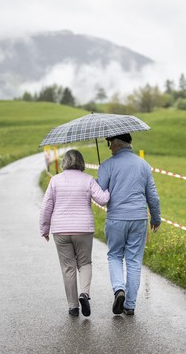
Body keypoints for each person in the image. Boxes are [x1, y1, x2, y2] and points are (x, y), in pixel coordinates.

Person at [39, 149, 110, 317]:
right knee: (84, 263)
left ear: (65, 162)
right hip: (83, 229)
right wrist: (106, 188)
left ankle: (73, 307)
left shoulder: (55, 180)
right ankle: (84, 294)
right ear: (81, 162)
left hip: (61, 230)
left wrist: (44, 228)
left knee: (68, 267)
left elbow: (46, 206)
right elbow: (103, 200)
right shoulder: (88, 180)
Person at [97, 133, 161, 316]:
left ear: (117, 144)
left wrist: (101, 176)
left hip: (116, 218)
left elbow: (99, 196)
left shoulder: (107, 165)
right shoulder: (144, 165)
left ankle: (119, 290)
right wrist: (156, 218)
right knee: (134, 261)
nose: (109, 147)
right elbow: (153, 196)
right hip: (139, 218)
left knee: (115, 255)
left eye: (109, 143)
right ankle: (130, 304)